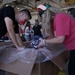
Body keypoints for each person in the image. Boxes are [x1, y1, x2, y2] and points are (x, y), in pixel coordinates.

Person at [37, 4, 75, 75]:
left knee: (72, 70)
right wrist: (42, 43)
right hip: (72, 47)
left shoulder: (59, 17)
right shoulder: (56, 20)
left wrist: (44, 42)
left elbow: (60, 39)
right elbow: (52, 37)